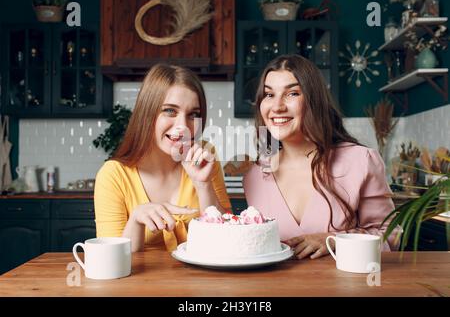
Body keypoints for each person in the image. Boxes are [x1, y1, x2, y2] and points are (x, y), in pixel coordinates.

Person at [243, 54, 399, 260]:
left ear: (314, 100)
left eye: (292, 93)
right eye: (269, 95)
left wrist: (335, 240)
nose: (277, 106)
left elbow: (392, 238)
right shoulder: (254, 175)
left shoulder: (361, 161)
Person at [94, 64, 231, 252]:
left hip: (201, 280)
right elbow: (108, 258)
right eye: (170, 111)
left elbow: (229, 242)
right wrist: (135, 220)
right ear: (147, 113)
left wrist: (203, 185)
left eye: (193, 114)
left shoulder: (204, 156)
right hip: (140, 282)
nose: (183, 126)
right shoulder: (113, 175)